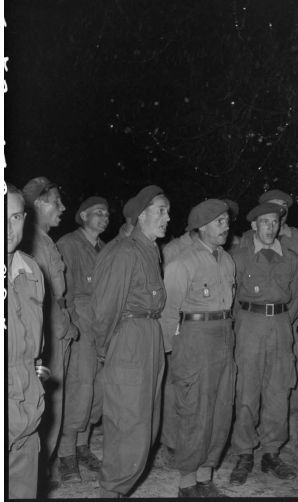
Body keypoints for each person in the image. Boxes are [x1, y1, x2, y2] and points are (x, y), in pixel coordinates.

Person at [91, 185, 170, 498]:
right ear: (141, 215)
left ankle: (117, 489)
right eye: (161, 210)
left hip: (149, 337)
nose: (168, 216)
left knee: (146, 424)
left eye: (167, 210)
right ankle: (111, 491)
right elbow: (104, 308)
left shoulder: (150, 250)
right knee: (128, 425)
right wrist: (106, 351)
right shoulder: (124, 251)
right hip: (129, 339)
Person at [160, 199, 236, 497]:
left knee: (221, 408)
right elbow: (168, 313)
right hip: (194, 338)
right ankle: (187, 482)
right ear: (201, 227)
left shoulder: (228, 261)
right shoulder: (182, 263)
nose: (226, 226)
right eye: (219, 222)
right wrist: (170, 353)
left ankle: (206, 476)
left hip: (224, 338)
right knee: (194, 410)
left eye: (227, 221)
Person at [229, 202, 298, 485]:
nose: (270, 227)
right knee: (247, 390)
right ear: (253, 226)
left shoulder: (291, 259)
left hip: (281, 325)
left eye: (274, 222)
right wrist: (239, 329)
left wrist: (292, 331)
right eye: (264, 222)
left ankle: (272, 452)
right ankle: (244, 452)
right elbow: (232, 298)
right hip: (249, 324)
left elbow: (296, 299)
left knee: (278, 390)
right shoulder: (239, 257)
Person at [22, 176, 79, 486]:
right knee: (45, 403)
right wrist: (62, 327)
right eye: (57, 202)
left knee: (53, 401)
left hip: (54, 326)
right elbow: (39, 298)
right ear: (39, 205)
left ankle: (43, 467)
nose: (63, 207)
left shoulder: (44, 240)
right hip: (46, 334)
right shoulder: (32, 243)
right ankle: (36, 471)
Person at [56, 197, 110, 482]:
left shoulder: (105, 248)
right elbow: (63, 294)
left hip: (101, 326)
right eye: (97, 213)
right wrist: (73, 327)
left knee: (96, 392)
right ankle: (66, 455)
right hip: (80, 324)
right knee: (79, 389)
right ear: (82, 215)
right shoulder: (68, 244)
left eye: (106, 214)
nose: (104, 217)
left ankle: (82, 446)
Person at [257, 189, 298, 446]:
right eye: (272, 207)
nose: (278, 213)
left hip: (289, 319)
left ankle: (292, 430)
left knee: (290, 378)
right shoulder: (248, 239)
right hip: (257, 323)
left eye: (283, 208)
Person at [7, 184, 46, 499]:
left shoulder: (30, 270)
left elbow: (37, 349)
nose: (8, 227)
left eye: (16, 216)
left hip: (26, 413)